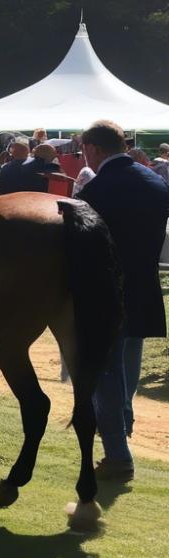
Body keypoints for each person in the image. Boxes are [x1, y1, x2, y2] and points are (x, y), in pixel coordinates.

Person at [75, 120, 169, 482]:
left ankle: (117, 452)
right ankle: (123, 429)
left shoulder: (96, 190)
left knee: (105, 370)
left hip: (105, 292)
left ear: (93, 149)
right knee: (129, 363)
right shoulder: (155, 180)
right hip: (144, 285)